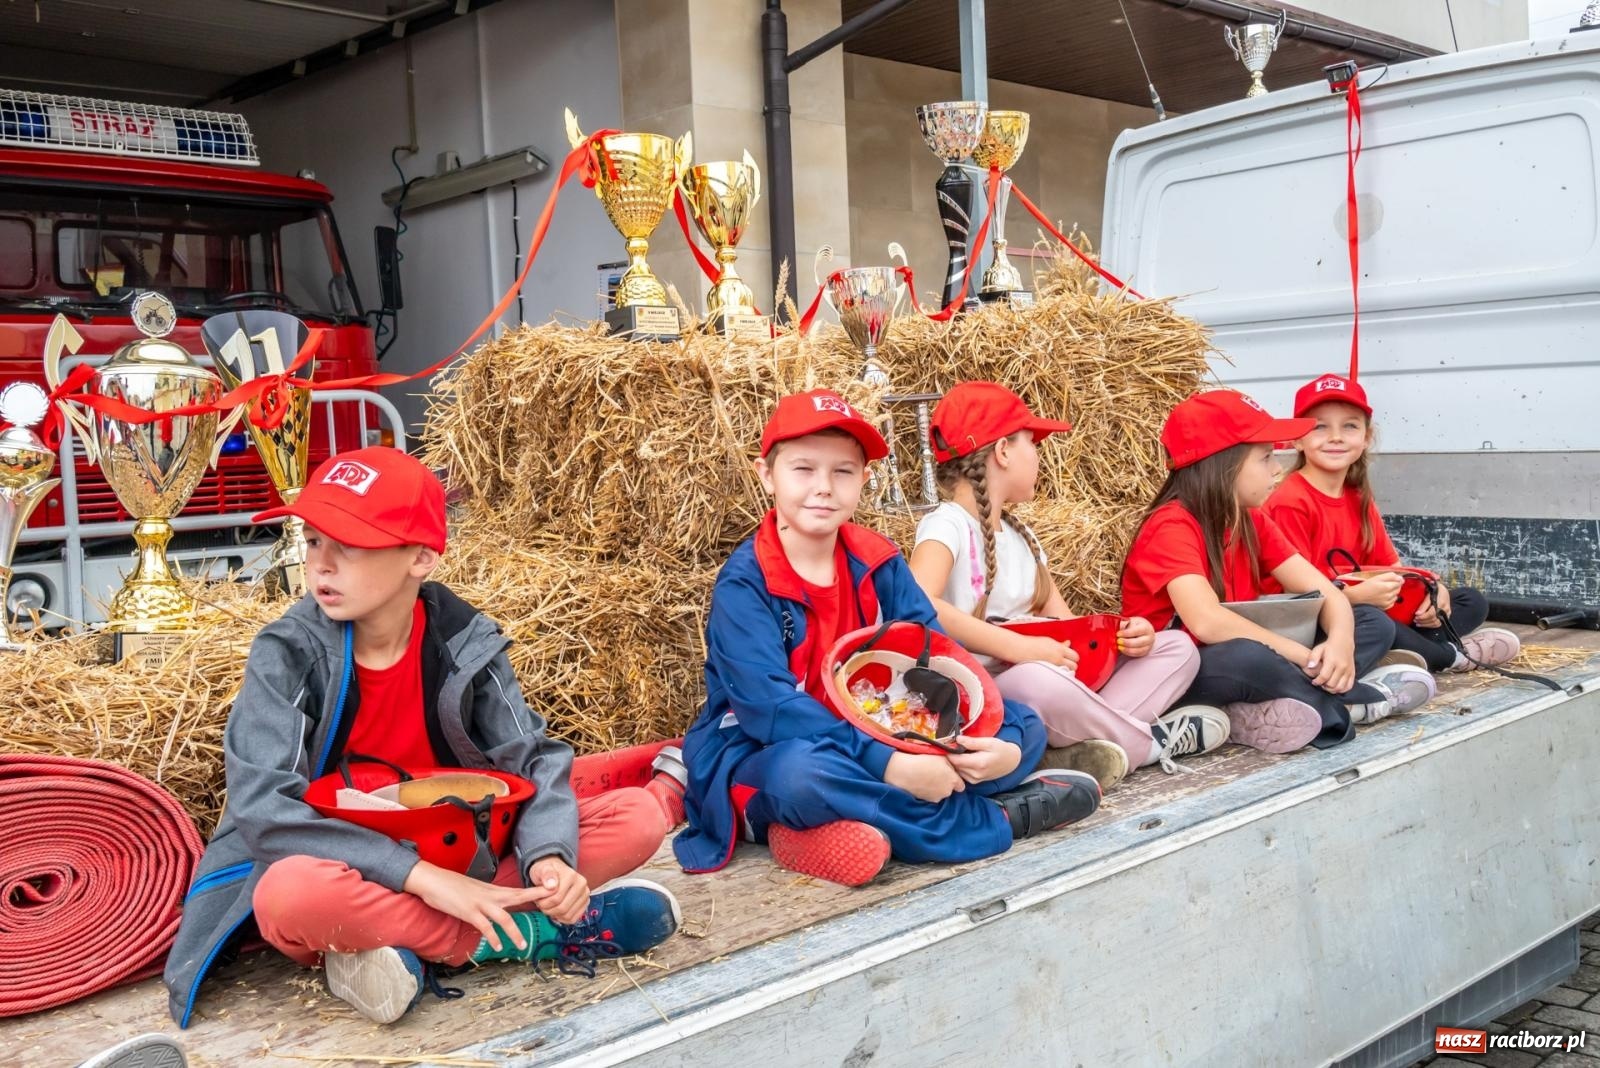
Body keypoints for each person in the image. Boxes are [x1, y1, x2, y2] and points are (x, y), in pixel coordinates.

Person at [164, 447, 683, 1027]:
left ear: (422, 558)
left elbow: (534, 758)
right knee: (287, 895)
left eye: (350, 544)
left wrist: (549, 862)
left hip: (461, 850)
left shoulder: (465, 639)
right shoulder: (286, 653)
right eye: (313, 541)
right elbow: (264, 812)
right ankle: (526, 935)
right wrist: (427, 883)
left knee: (636, 815)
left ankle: (397, 947)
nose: (322, 565)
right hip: (344, 864)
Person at [673, 389, 1101, 887]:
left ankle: (835, 828)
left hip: (891, 725)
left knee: (1022, 723)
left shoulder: (877, 560)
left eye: (843, 472)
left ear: (864, 481)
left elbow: (940, 656)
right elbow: (771, 710)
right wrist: (889, 764)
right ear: (766, 475)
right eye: (803, 470)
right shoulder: (747, 583)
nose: (824, 488)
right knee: (803, 776)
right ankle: (996, 819)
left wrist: (981, 741)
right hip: (771, 747)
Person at [907, 382, 1227, 791]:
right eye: (1033, 444)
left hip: (1056, 685)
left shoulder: (1023, 537)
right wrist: (1021, 649)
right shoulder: (947, 522)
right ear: (1003, 451)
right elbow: (920, 603)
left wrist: (1123, 638)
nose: (1039, 457)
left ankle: (1080, 747)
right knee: (1037, 678)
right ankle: (1151, 744)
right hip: (990, 689)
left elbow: (1071, 628)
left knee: (1177, 649)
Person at [1120, 390, 1437, 754]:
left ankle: (1265, 710)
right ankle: (1349, 702)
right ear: (1223, 465)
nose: (1276, 469)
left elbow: (1326, 592)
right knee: (1244, 656)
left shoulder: (1252, 518)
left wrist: (1340, 643)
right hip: (1194, 669)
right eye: (1266, 457)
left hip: (1261, 651)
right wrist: (1304, 656)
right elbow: (1207, 622)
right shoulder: (1172, 525)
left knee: (1370, 620)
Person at [1266, 373, 1521, 673]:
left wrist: (1432, 592)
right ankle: (1452, 656)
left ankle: (1404, 653)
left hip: (1366, 604)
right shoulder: (1290, 500)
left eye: (1349, 426)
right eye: (1319, 426)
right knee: (1376, 624)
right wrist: (1355, 597)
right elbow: (1295, 597)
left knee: (1470, 601)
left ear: (1366, 437)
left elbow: (1392, 568)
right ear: (1297, 439)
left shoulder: (1357, 495)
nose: (1335, 436)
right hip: (1313, 619)